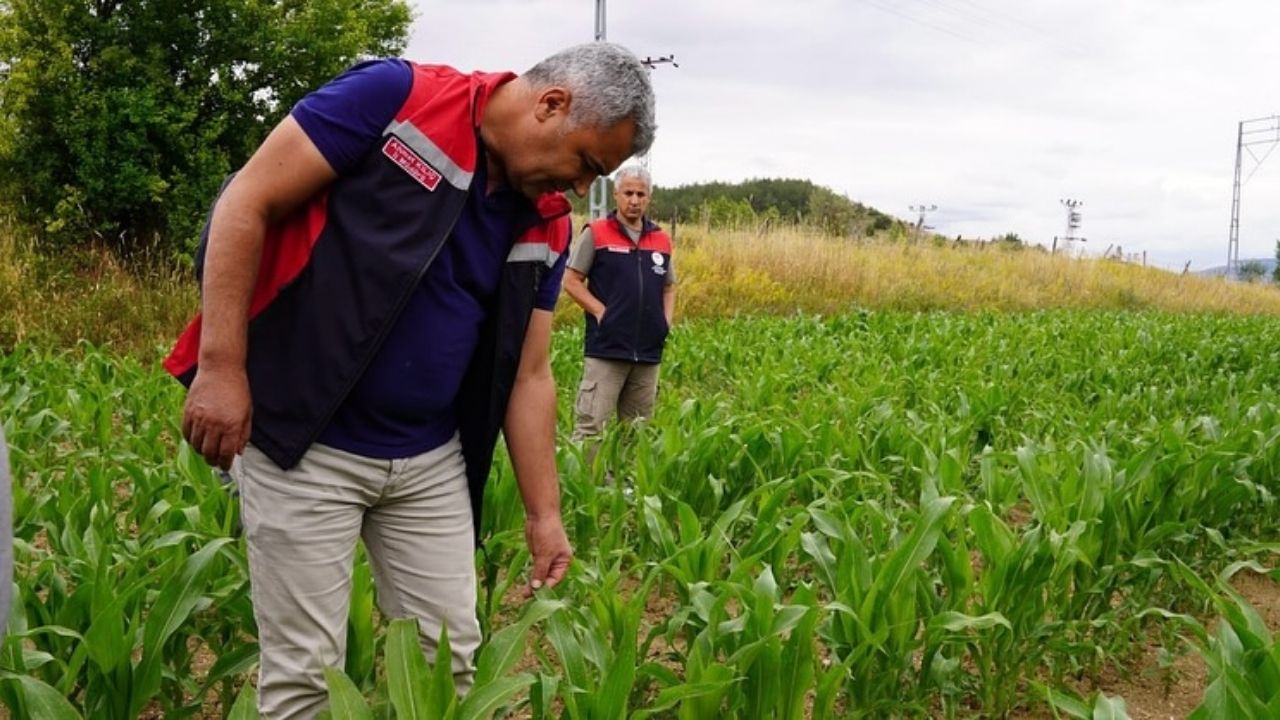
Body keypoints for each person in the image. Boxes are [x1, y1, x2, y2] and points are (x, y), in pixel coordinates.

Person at [164, 42, 655, 718]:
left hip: (428, 460)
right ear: (551, 104)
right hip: (304, 443)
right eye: (587, 164)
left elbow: (530, 373)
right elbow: (247, 200)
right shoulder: (397, 101)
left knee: (446, 667)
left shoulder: (546, 224)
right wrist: (221, 367)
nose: (578, 188)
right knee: (305, 679)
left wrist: (544, 515)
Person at [564, 165, 675, 462]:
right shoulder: (597, 233)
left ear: (649, 197)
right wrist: (601, 312)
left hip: (647, 353)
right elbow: (571, 281)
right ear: (616, 194)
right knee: (591, 427)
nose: (634, 200)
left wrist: (664, 323)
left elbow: (669, 286)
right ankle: (587, 484)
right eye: (628, 193)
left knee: (637, 431)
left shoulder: (661, 239)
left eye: (640, 194)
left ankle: (625, 484)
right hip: (607, 349)